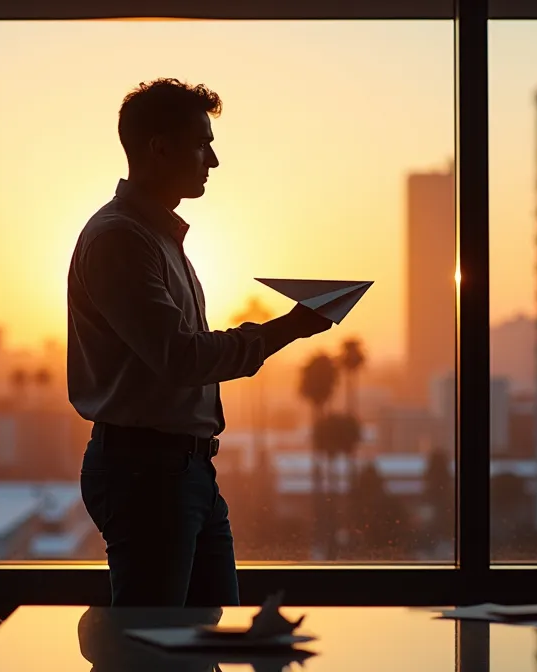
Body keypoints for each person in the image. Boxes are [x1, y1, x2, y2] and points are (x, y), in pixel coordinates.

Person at [66, 78, 334, 607]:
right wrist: (288, 327)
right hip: (149, 476)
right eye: (201, 143)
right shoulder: (121, 240)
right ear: (159, 149)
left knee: (203, 638)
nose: (212, 160)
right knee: (153, 650)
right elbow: (181, 357)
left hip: (178, 472)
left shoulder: (155, 238)